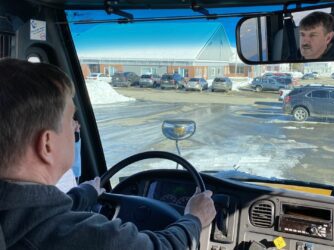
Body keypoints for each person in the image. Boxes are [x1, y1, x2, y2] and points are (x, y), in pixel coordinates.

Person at [0, 58, 216, 249]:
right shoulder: (86, 236)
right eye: (71, 120)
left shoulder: (17, 218)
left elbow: (31, 215)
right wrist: (194, 218)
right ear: (47, 145)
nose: (76, 126)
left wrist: (84, 193)